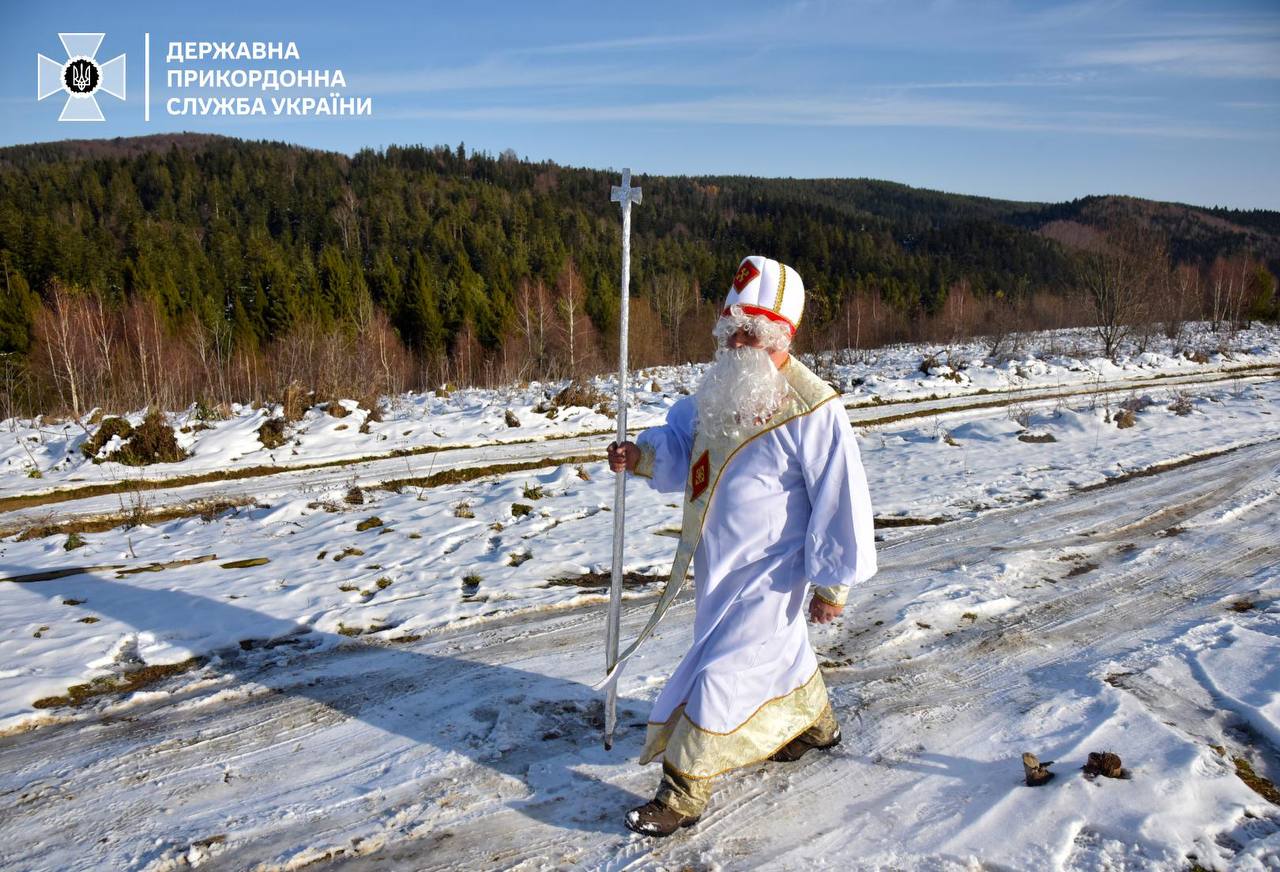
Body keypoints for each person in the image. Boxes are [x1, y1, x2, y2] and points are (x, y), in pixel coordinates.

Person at [605, 254, 878, 837]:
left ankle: (682, 792)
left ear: (781, 334)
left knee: (725, 669)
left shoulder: (814, 406)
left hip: (773, 571)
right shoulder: (720, 389)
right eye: (729, 329)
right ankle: (816, 724)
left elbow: (840, 497)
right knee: (775, 653)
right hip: (717, 564)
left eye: (748, 331)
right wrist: (642, 455)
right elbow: (684, 444)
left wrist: (832, 583)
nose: (735, 342)